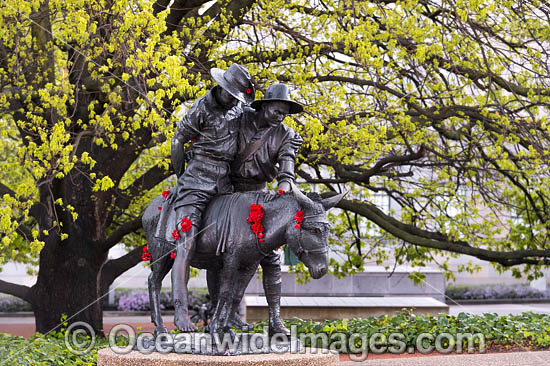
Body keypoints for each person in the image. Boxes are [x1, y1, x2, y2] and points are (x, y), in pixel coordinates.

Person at [157, 63, 255, 332]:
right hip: (196, 179)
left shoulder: (240, 110)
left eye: (237, 96)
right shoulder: (202, 107)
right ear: (221, 88)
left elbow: (264, 121)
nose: (232, 99)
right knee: (185, 245)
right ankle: (180, 313)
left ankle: (225, 314)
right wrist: (181, 176)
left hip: (225, 183)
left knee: (226, 250)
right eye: (229, 94)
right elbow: (178, 140)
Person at [230, 83, 303, 336]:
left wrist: (283, 191)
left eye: (285, 112)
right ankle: (223, 316)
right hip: (227, 191)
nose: (280, 116)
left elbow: (287, 167)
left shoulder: (286, 134)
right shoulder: (240, 119)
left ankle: (275, 321)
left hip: (259, 195)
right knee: (220, 253)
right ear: (265, 106)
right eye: (277, 110)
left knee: (271, 258)